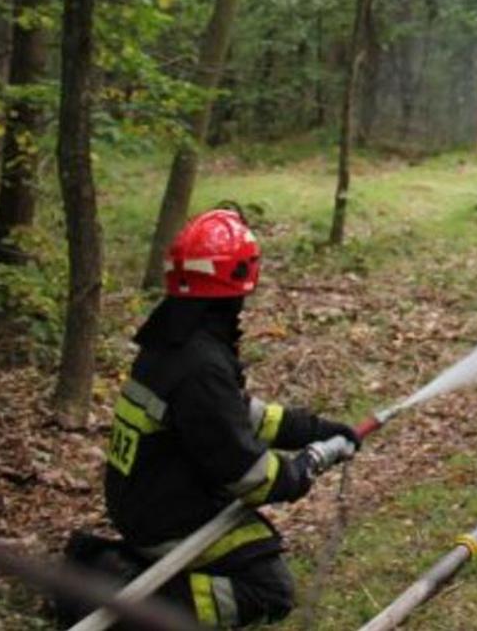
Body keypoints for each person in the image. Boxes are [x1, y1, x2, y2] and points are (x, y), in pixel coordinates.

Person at [59, 208, 359, 628]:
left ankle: (117, 571)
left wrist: (315, 429)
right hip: (167, 516)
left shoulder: (173, 340)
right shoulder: (201, 365)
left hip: (148, 500)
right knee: (268, 590)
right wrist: (304, 467)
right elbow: (249, 476)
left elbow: (234, 417)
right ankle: (124, 601)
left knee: (252, 546)